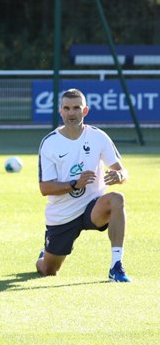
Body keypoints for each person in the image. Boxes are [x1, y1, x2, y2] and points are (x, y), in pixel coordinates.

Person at [35, 88, 130, 282]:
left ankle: (116, 265)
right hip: (62, 215)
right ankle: (43, 256)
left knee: (116, 199)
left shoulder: (98, 136)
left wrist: (119, 174)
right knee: (48, 271)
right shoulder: (49, 143)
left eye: (76, 108)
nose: (71, 113)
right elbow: (45, 188)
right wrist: (74, 184)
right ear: (60, 111)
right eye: (67, 108)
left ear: (85, 111)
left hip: (92, 207)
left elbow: (123, 171)